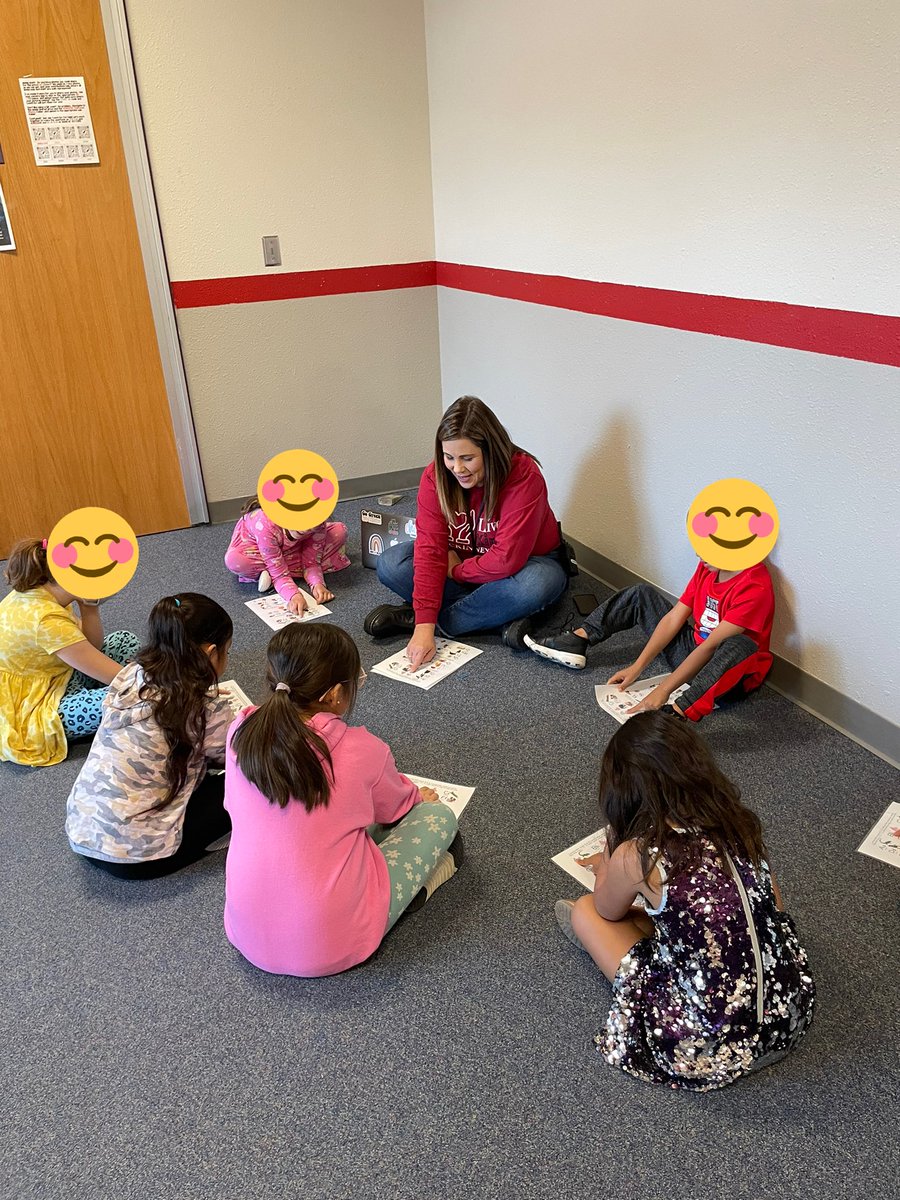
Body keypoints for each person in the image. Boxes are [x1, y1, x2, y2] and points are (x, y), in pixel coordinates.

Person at [555, 712, 815, 1090]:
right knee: (689, 917)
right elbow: (773, 907)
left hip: (708, 1044)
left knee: (585, 912)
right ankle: (659, 927)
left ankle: (634, 940)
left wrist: (612, 852)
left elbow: (605, 908)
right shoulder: (739, 824)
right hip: (788, 1014)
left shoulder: (639, 853)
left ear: (623, 794)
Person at [223, 623, 461, 977]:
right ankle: (400, 899)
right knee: (439, 817)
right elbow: (397, 809)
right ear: (335, 694)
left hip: (246, 933)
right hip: (334, 943)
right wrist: (417, 797)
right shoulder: (363, 749)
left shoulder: (240, 731)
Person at [364, 395, 568, 669]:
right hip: (465, 564)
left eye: (468, 458)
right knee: (391, 563)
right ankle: (496, 617)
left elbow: (507, 559)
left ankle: (432, 619)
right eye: (449, 457)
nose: (457, 468)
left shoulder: (524, 475)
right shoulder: (435, 476)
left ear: (491, 451)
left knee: (536, 584)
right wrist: (425, 623)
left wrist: (454, 574)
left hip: (523, 566)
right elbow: (429, 548)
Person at [66, 594, 235, 878]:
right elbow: (237, 757)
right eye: (226, 651)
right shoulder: (205, 710)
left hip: (83, 830)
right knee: (247, 782)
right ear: (210, 653)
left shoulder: (132, 674)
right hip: (137, 857)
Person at [526, 554, 774, 722]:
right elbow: (673, 618)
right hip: (693, 651)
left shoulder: (755, 585)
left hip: (727, 677)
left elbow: (710, 647)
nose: (700, 555)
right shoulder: (709, 567)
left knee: (740, 645)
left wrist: (664, 691)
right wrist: (637, 667)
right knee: (641, 594)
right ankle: (579, 639)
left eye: (707, 549)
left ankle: (678, 712)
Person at [0, 538, 139, 766]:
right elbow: (121, 679)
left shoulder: (47, 592)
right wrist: (160, 684)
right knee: (124, 697)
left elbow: (90, 645)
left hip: (54, 677)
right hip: (32, 711)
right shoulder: (47, 620)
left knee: (124, 640)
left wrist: (89, 607)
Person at [225, 500, 349, 616]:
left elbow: (312, 562)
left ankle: (274, 569)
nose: (306, 529)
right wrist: (293, 595)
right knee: (235, 560)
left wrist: (317, 584)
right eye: (300, 522)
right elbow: (280, 575)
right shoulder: (265, 523)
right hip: (256, 549)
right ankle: (274, 569)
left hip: (290, 551)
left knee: (339, 531)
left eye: (311, 524)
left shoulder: (317, 522)